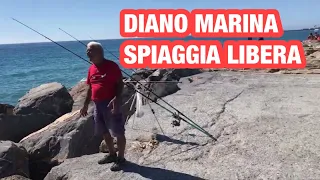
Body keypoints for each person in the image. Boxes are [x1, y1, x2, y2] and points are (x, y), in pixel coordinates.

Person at [80, 41, 126, 171]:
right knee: (104, 132)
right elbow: (90, 88)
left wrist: (117, 99)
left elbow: (120, 84)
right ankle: (112, 154)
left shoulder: (112, 66)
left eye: (90, 50)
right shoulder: (91, 68)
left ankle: (121, 158)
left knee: (118, 131)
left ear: (99, 52)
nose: (87, 52)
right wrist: (85, 105)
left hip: (110, 103)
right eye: (87, 50)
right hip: (97, 105)